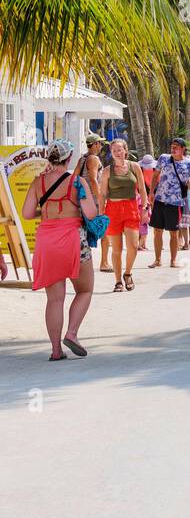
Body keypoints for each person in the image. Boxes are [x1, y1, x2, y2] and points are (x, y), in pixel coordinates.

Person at [22, 141, 99, 360]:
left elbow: (27, 213)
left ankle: (56, 350)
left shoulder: (39, 183)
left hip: (47, 240)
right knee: (84, 289)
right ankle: (72, 333)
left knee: (55, 299)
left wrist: (46, 213)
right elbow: (91, 214)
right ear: (69, 157)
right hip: (74, 239)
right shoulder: (77, 182)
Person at [98, 138, 148, 291]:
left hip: (131, 207)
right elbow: (102, 194)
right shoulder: (107, 170)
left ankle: (127, 273)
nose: (118, 153)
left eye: (120, 150)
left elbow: (142, 188)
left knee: (133, 246)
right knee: (117, 249)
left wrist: (145, 207)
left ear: (125, 150)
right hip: (113, 209)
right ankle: (118, 281)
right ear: (111, 154)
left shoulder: (135, 167)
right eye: (114, 151)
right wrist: (101, 214)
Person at [149, 138, 190, 269]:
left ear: (183, 149)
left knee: (174, 232)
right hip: (160, 200)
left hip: (176, 202)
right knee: (157, 231)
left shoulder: (189, 164)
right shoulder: (163, 158)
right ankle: (158, 259)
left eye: (176, 146)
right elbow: (155, 176)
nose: (173, 148)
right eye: (172, 146)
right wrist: (151, 192)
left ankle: (173, 260)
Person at [76, 135, 110, 276]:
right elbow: (93, 179)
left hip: (82, 200)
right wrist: (101, 198)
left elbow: (75, 177)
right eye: (100, 144)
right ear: (95, 144)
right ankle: (104, 262)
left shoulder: (82, 158)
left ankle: (80, 262)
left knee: (82, 231)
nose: (101, 146)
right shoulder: (93, 159)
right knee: (104, 229)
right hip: (93, 200)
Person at [137, 155, 155, 249]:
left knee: (146, 221)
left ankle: (143, 243)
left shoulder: (155, 170)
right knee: (142, 221)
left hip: (153, 198)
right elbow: (137, 187)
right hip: (140, 199)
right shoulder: (139, 170)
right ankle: (140, 243)